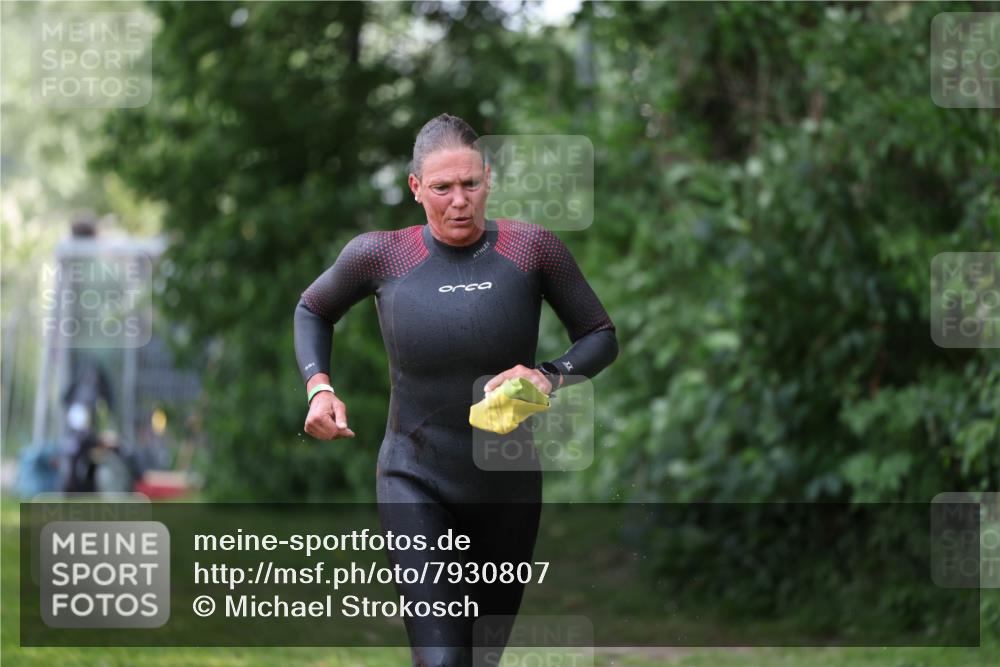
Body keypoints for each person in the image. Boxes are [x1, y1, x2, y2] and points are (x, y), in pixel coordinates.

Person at [294, 113, 618, 666]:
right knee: (442, 660)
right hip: (414, 475)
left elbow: (599, 335)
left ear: (488, 179)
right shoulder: (382, 255)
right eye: (442, 187)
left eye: (470, 184)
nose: (459, 200)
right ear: (416, 187)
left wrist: (547, 374)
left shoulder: (532, 249)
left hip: (508, 484)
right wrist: (318, 387)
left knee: (479, 660)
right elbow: (313, 308)